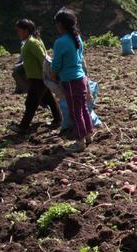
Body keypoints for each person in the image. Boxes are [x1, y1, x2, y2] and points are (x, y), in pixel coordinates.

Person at [9, 19, 62, 134]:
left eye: (19, 31)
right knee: (49, 99)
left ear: (26, 30)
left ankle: (23, 126)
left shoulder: (32, 43)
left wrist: (51, 74)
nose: (18, 33)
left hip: (38, 78)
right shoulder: (31, 41)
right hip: (36, 77)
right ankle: (58, 119)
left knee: (31, 102)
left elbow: (44, 58)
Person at [50, 8, 92, 152]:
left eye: (57, 24)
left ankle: (79, 141)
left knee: (75, 112)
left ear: (61, 24)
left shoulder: (60, 42)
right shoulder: (77, 38)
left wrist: (52, 75)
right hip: (80, 78)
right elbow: (79, 59)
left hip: (70, 80)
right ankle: (88, 134)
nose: (57, 26)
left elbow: (56, 64)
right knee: (83, 108)